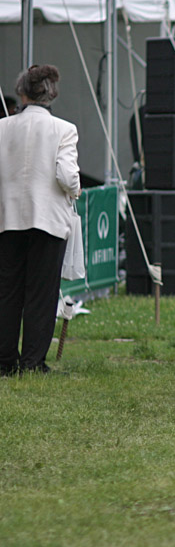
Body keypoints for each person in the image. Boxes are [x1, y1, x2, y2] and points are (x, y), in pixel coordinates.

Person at [0, 65, 81, 375]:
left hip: (7, 219)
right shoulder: (64, 129)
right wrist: (76, 189)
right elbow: (66, 176)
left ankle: (5, 360)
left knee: (7, 290)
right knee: (41, 292)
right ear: (52, 93)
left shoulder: (2, 127)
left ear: (22, 92)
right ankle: (33, 361)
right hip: (47, 219)